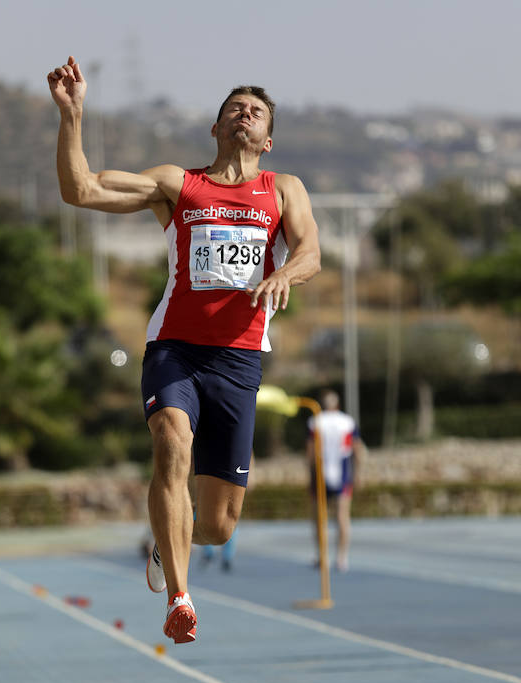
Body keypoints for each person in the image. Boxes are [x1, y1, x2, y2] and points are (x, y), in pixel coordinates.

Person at [48, 56, 321, 644]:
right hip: (175, 348)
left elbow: (310, 253)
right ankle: (180, 596)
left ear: (267, 139)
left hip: (239, 358)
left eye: (256, 113)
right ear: (217, 128)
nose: (243, 116)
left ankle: (166, 536)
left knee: (219, 526)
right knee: (171, 438)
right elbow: (82, 190)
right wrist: (71, 117)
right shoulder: (179, 184)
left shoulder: (284, 190)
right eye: (233, 110)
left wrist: (285, 276)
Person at [307, 391, 365, 572]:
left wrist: (310, 476)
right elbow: (357, 449)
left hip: (320, 475)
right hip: (343, 474)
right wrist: (359, 473)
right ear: (338, 405)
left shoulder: (315, 422)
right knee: (342, 516)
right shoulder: (347, 421)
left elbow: (310, 452)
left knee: (319, 518)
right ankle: (341, 557)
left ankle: (321, 556)